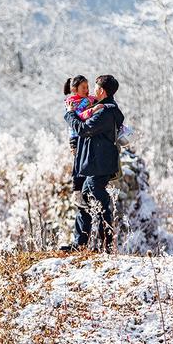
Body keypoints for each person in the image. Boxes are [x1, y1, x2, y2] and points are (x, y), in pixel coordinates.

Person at [62, 74, 125, 252]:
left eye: (96, 87)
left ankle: (107, 244)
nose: (92, 90)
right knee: (84, 202)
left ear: (102, 91)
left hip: (100, 165)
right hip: (92, 164)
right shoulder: (99, 107)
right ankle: (80, 243)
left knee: (97, 198)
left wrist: (69, 114)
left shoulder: (106, 111)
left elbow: (84, 129)